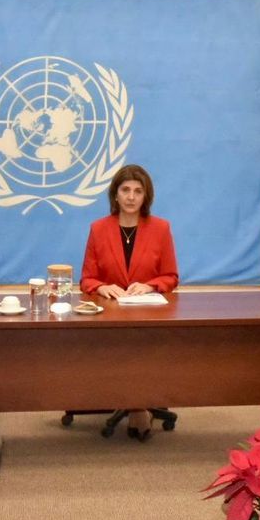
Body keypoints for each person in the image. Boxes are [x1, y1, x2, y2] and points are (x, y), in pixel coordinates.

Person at [79, 164, 179, 440]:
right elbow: (87, 279)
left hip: (148, 316)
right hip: (110, 318)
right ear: (116, 194)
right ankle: (138, 406)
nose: (131, 197)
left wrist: (150, 285)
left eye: (138, 191)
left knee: (142, 346)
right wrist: (103, 286)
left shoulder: (160, 228)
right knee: (121, 347)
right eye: (125, 190)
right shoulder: (99, 229)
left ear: (146, 196)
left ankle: (138, 406)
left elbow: (171, 276)